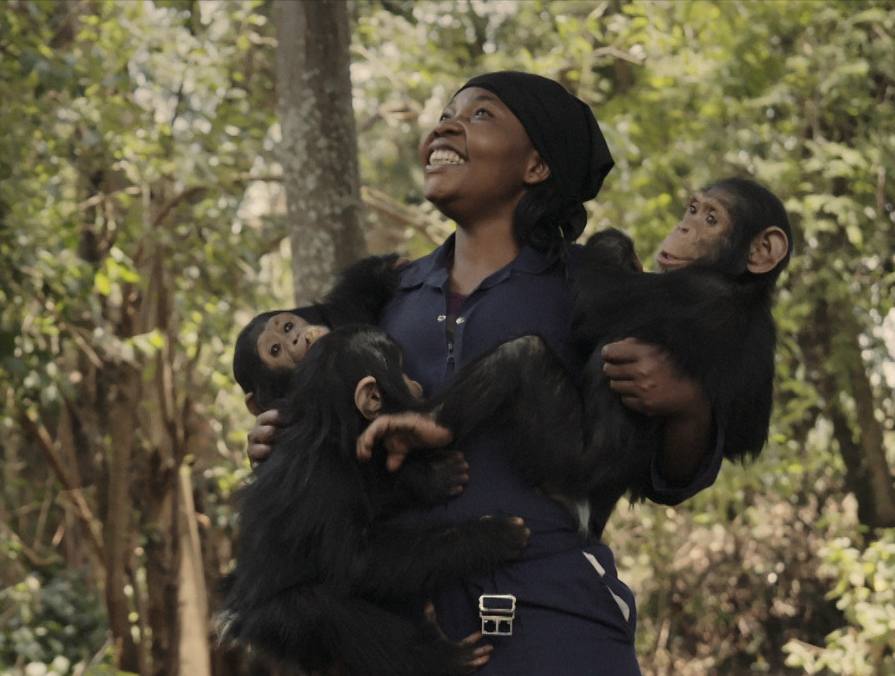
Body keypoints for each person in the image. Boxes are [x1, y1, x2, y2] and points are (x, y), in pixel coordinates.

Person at [248, 71, 721, 674]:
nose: (445, 125)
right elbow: (328, 454)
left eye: (480, 116)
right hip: (405, 632)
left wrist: (687, 403)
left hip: (557, 618)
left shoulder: (596, 286)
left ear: (536, 167)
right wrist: (280, 441)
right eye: (446, 113)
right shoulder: (382, 298)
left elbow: (668, 475)